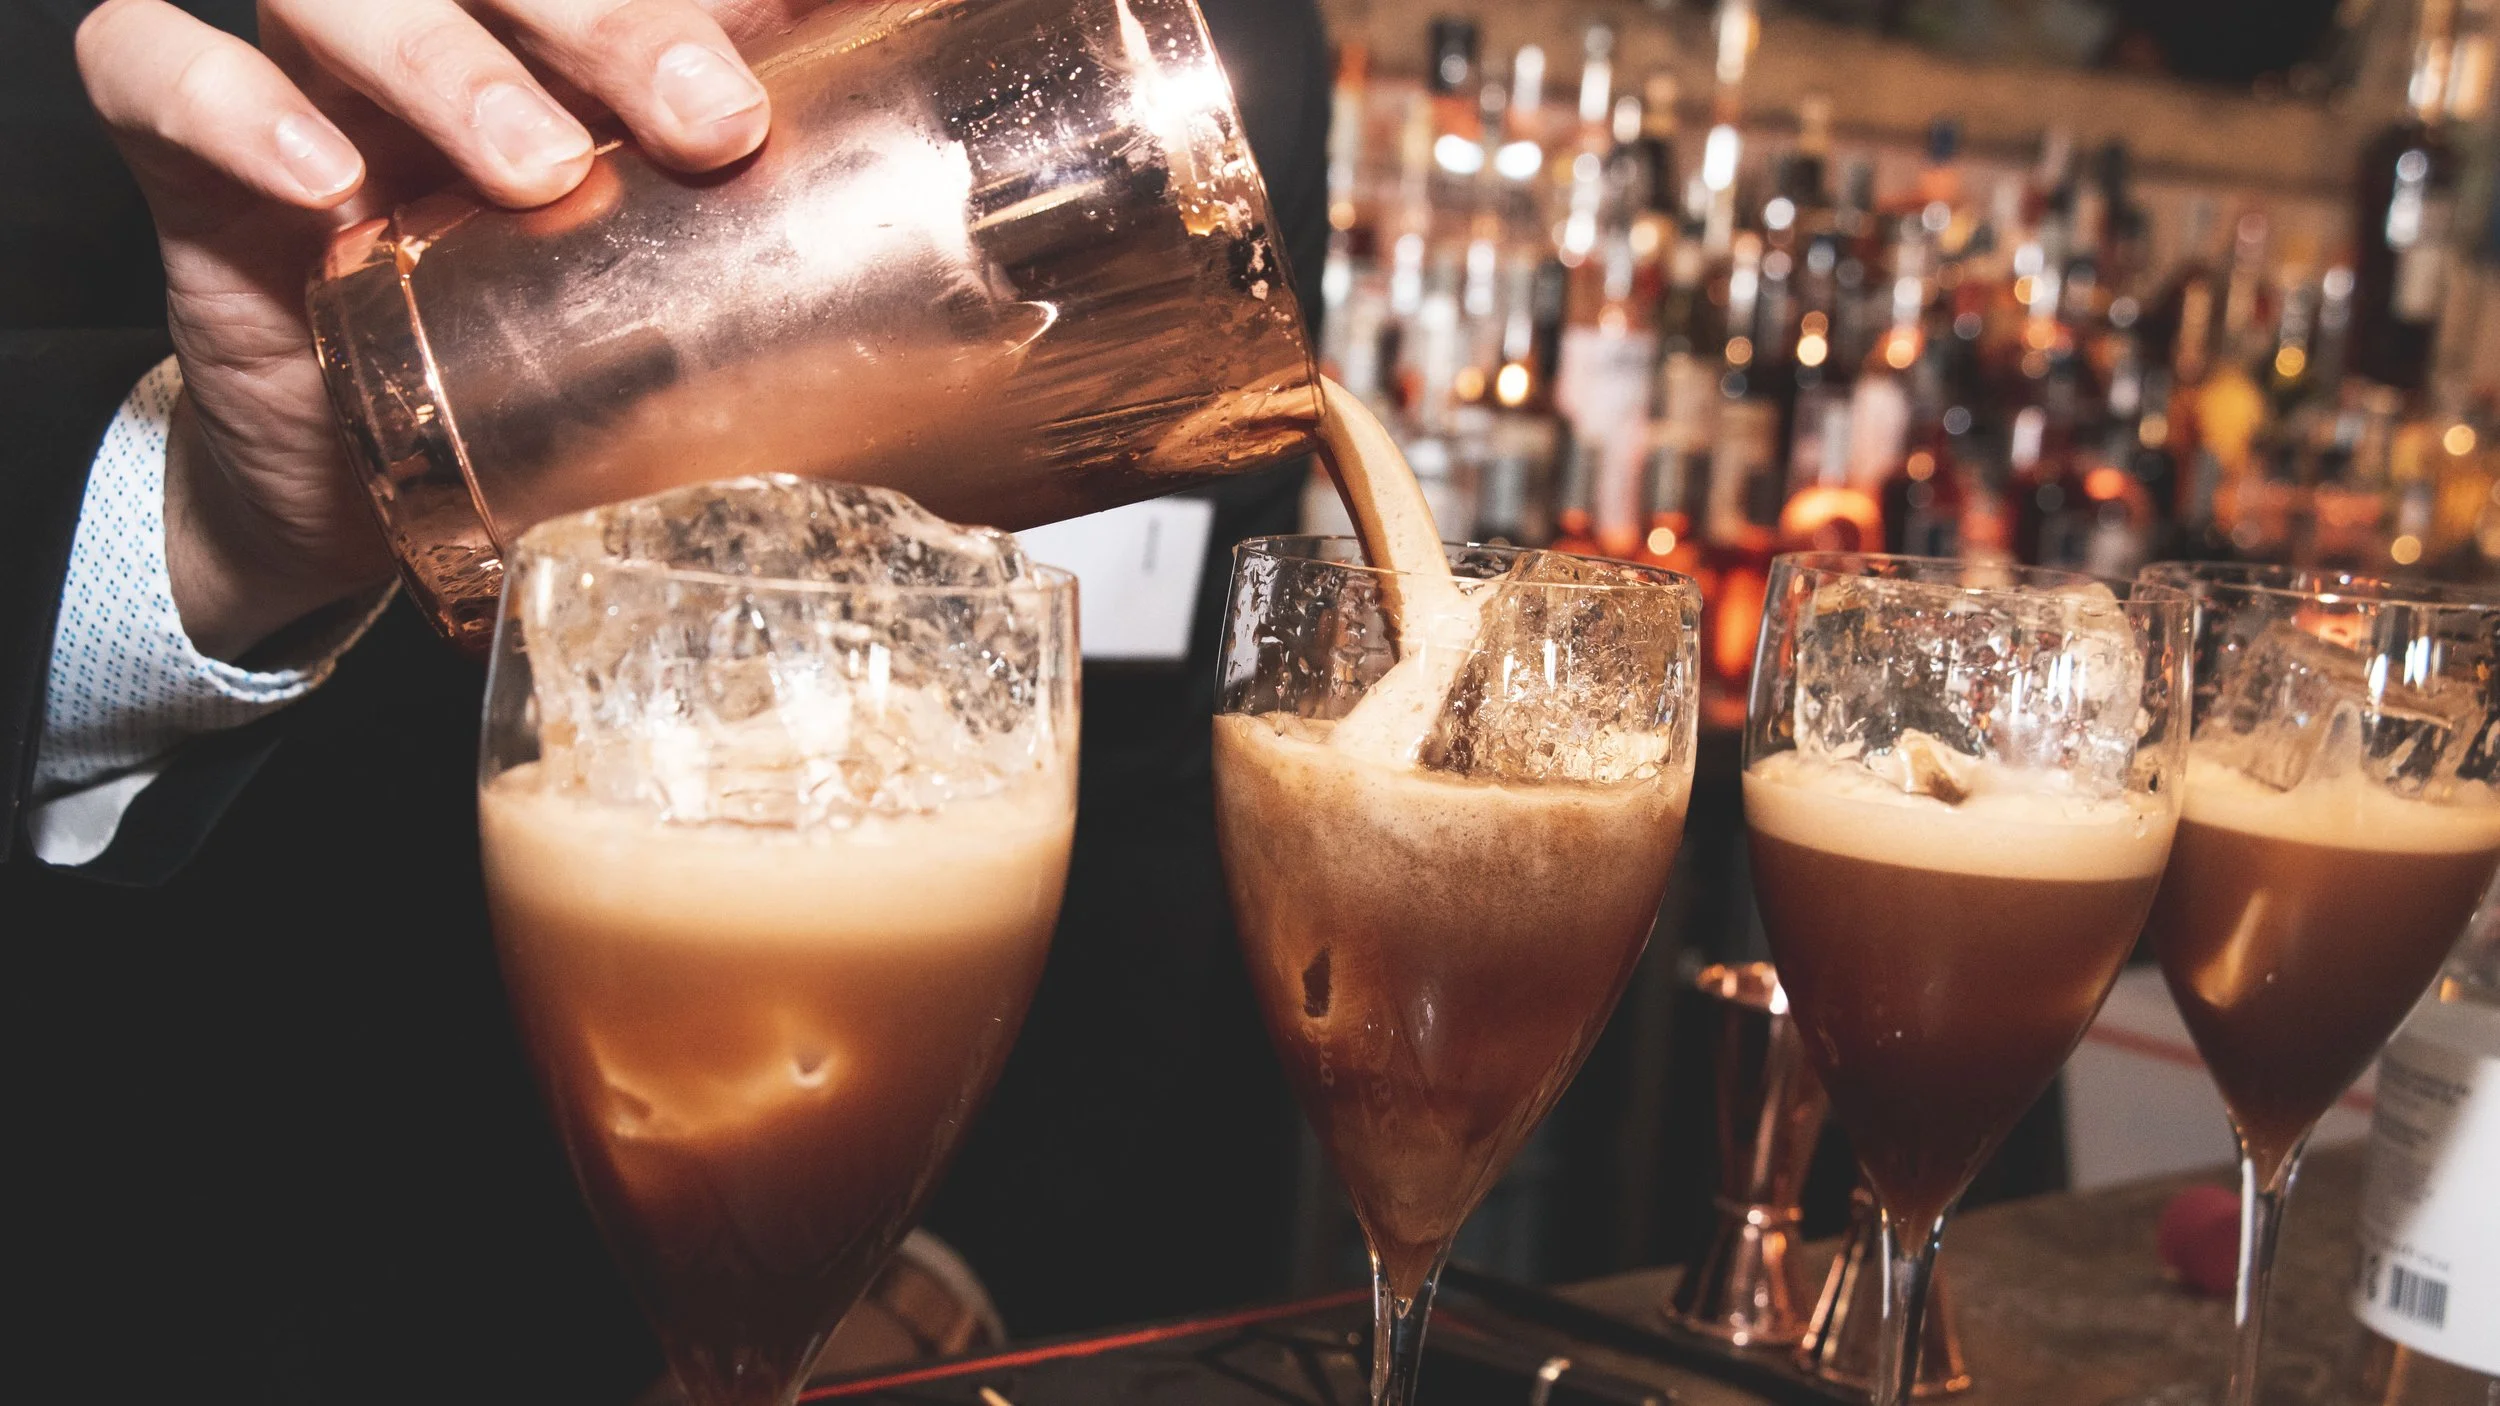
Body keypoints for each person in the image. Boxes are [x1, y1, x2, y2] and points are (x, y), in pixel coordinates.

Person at [3, 1, 1327, 1400]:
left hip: (859, 1269)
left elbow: (1151, 777)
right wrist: (217, 528)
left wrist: (950, 1270)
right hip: (241, 1273)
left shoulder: (1207, 48)